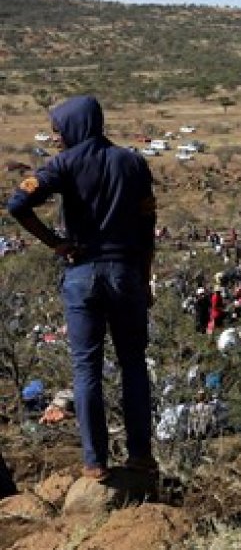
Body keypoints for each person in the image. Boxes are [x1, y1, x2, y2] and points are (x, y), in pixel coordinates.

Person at [5, 95, 157, 480]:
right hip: (125, 273)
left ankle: (95, 462)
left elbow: (18, 204)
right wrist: (144, 277)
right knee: (133, 365)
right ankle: (140, 455)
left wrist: (54, 241)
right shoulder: (133, 162)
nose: (56, 137)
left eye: (59, 129)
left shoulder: (63, 165)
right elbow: (147, 229)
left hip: (82, 272)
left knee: (86, 367)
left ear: (76, 126)